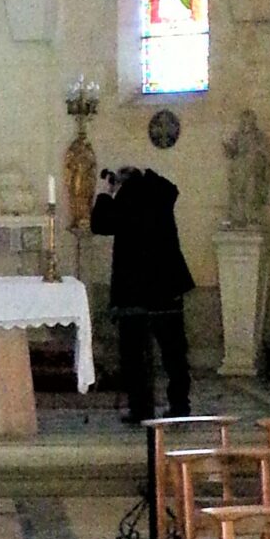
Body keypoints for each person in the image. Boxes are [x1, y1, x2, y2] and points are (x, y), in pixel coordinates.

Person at [90, 161, 194, 424]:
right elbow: (169, 187)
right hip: (167, 286)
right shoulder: (160, 193)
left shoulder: (127, 198)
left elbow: (100, 223)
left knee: (134, 354)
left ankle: (141, 408)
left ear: (121, 183)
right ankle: (180, 404)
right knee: (174, 351)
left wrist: (106, 192)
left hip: (135, 290)